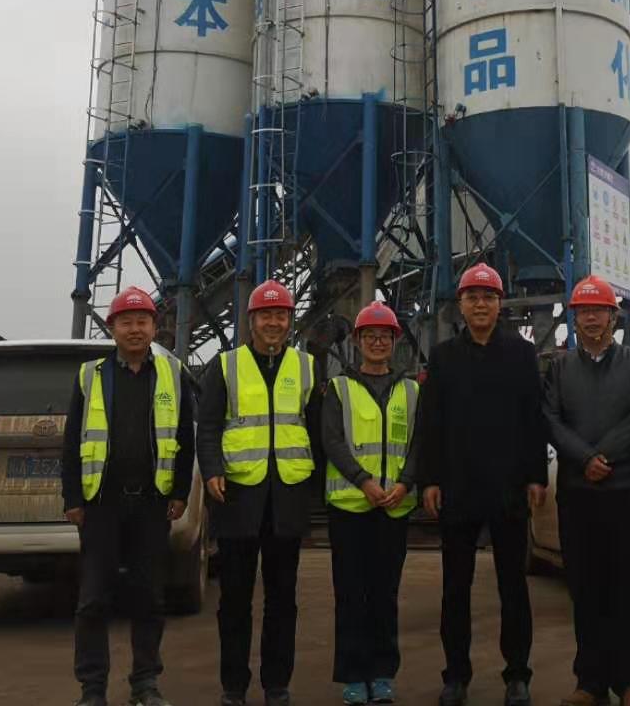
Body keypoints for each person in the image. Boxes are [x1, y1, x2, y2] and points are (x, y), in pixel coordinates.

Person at [415, 263, 548, 706]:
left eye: (488, 297)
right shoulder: (444, 357)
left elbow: (533, 418)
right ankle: (456, 676)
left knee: (513, 587)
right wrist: (430, 479)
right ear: (461, 305)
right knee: (455, 588)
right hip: (458, 487)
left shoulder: (521, 354)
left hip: (508, 487)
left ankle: (518, 676)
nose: (480, 304)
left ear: (499, 304)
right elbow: (431, 422)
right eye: (472, 297)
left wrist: (535, 475)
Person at [62, 285, 197, 706]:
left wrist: (179, 492)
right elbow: (71, 440)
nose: (135, 329)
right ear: (112, 328)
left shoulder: (172, 374)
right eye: (126, 322)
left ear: (155, 327)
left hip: (153, 503)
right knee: (93, 600)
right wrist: (72, 498)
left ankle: (145, 684)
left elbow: (185, 437)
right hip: (101, 503)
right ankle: (92, 690)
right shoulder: (91, 375)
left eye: (142, 321)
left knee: (149, 597)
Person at [198, 279, 323, 706]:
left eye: (281, 315)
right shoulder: (226, 365)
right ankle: (233, 686)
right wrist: (212, 470)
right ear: (251, 320)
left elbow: (318, 430)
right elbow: (208, 426)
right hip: (237, 498)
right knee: (234, 600)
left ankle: (276, 684)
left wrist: (316, 489)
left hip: (286, 498)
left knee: (282, 599)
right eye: (266, 315)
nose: (274, 322)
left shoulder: (306, 367)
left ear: (290, 321)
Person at [542, 275, 630, 706]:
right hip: (578, 494)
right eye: (583, 312)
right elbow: (550, 419)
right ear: (574, 318)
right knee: (585, 589)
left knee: (629, 587)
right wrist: (584, 458)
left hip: (626, 493)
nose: (592, 318)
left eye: (599, 311)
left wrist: (601, 455)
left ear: (614, 316)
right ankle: (589, 682)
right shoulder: (559, 368)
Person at [324, 302, 422, 706]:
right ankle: (352, 676)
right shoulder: (339, 388)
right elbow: (332, 440)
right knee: (350, 594)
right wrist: (363, 481)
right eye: (370, 336)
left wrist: (405, 482)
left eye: (385, 336)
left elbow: (419, 443)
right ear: (357, 341)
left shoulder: (411, 390)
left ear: (395, 341)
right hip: (350, 507)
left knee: (385, 594)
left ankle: (382, 674)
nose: (378, 342)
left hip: (394, 507)